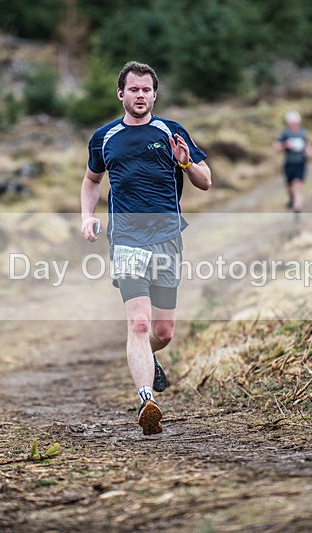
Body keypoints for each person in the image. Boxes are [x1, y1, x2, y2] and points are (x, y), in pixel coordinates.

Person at [80, 61, 211, 435]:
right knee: (138, 322)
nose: (140, 95)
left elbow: (205, 181)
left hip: (167, 237)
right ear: (120, 94)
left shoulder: (171, 131)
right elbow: (91, 180)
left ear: (155, 94)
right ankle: (146, 400)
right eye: (133, 89)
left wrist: (186, 163)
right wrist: (87, 216)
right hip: (126, 239)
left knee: (163, 332)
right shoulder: (104, 137)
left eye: (146, 90)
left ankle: (146, 357)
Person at [274, 111, 312, 214]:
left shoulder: (303, 132)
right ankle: (292, 199)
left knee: (298, 184)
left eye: (296, 123)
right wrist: (285, 145)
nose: (295, 125)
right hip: (289, 163)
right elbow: (276, 147)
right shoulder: (285, 134)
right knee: (289, 187)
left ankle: (298, 205)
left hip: (301, 163)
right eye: (292, 123)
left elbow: (307, 144)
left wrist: (309, 151)